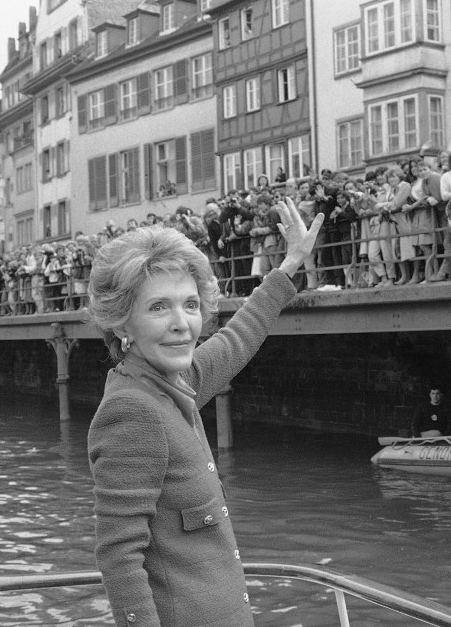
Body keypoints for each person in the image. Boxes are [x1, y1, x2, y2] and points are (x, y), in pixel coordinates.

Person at [86, 198, 322, 627]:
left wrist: (289, 265)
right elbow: (119, 555)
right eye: (159, 307)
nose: (183, 323)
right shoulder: (132, 410)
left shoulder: (177, 382)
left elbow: (237, 339)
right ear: (122, 325)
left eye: (190, 304)